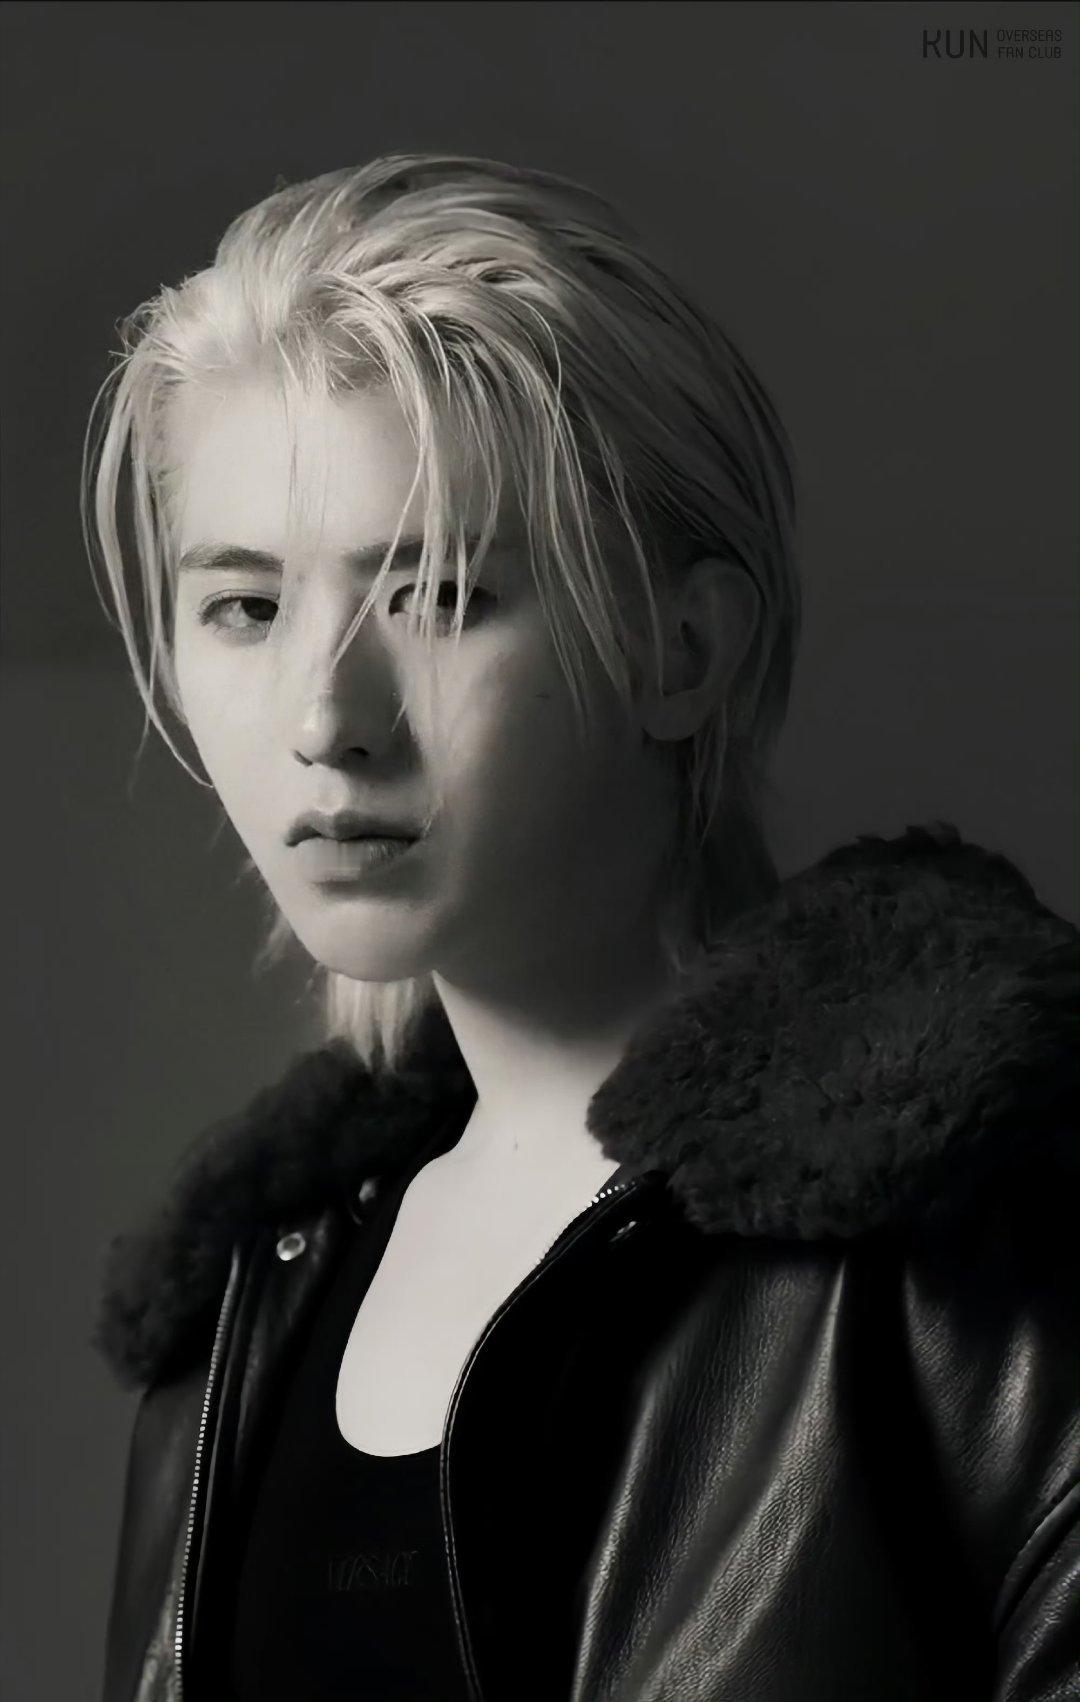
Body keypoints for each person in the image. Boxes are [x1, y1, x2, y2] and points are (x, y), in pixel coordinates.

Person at [85, 154, 1079, 1702]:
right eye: (245, 607)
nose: (323, 720)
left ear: (682, 652)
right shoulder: (233, 1324)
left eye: (437, 592)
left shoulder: (988, 1244)